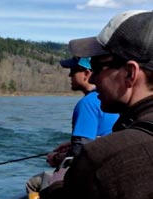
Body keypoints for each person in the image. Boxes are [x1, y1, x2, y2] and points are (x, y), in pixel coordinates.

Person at [40, 10, 153, 199]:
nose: (92, 77)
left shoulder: (102, 157)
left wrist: (55, 186)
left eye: (98, 66)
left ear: (130, 73)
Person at [26, 57, 119, 195]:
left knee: (33, 184)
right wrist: (71, 144)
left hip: (93, 172)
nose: (70, 75)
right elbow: (101, 137)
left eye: (73, 70)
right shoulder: (110, 98)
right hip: (111, 167)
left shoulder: (87, 104)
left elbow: (79, 153)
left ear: (87, 74)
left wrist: (56, 158)